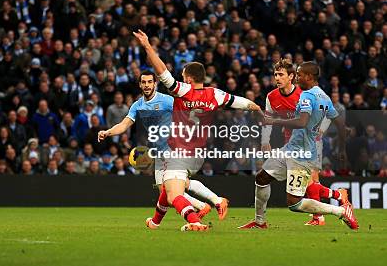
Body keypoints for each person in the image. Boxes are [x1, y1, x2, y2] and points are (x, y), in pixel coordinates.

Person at [133, 30, 262, 231]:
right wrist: (258, 109)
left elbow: (161, 72)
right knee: (170, 188)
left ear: (190, 79)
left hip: (178, 152)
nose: (182, 80)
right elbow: (242, 103)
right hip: (199, 155)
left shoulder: (184, 91)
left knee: (174, 194)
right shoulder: (216, 94)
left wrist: (147, 46)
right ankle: (156, 222)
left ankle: (195, 222)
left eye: (184, 77)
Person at [239, 62, 358, 230]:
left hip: (304, 152)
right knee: (262, 178)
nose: (278, 78)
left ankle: (339, 211)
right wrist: (342, 149)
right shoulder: (322, 96)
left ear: (299, 77)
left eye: (298, 75)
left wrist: (275, 121)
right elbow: (340, 123)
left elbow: (302, 122)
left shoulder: (306, 96)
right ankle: (260, 222)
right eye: (276, 75)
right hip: (289, 147)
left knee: (296, 201)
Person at [98, 70, 214, 229]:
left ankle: (196, 219)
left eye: (149, 82)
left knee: (172, 191)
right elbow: (124, 124)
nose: (146, 85)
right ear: (140, 85)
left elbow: (186, 110)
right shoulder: (137, 105)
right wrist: (108, 132)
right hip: (159, 152)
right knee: (166, 191)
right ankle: (201, 206)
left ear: (155, 84)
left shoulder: (166, 100)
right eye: (143, 82)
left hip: (174, 150)